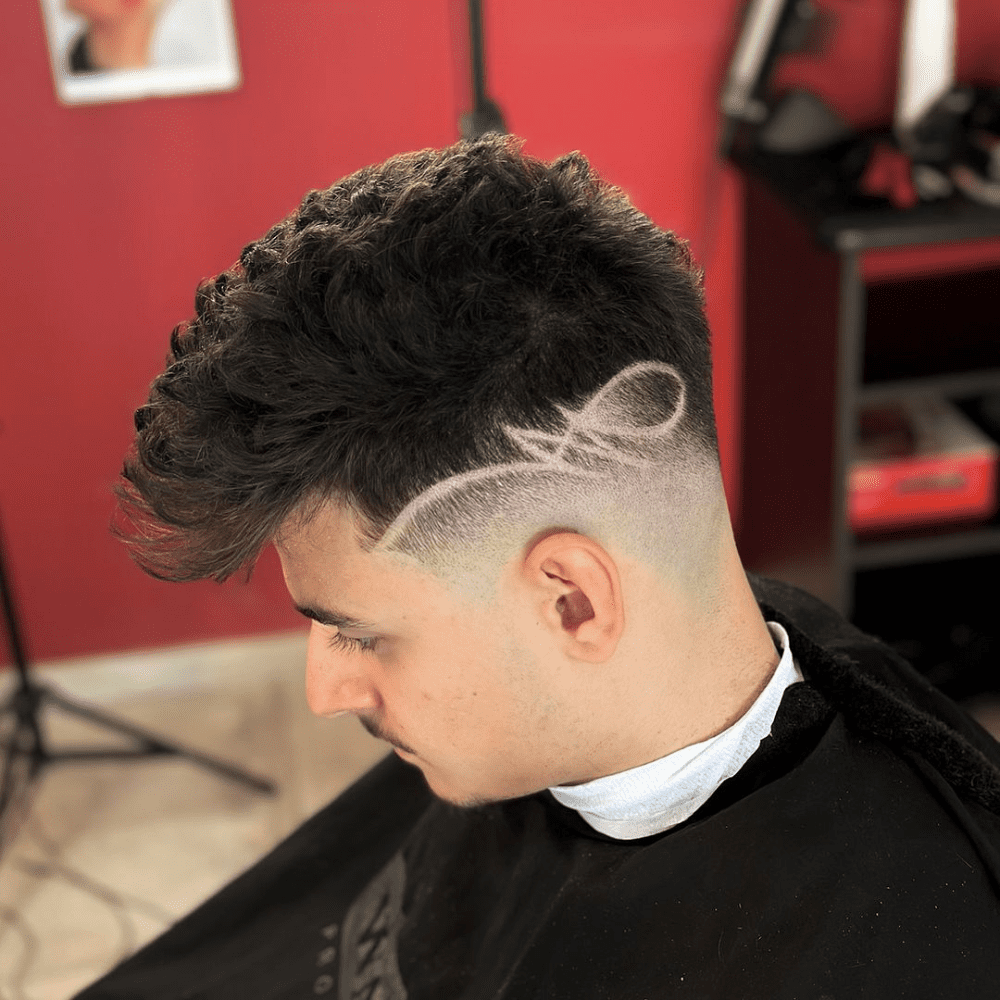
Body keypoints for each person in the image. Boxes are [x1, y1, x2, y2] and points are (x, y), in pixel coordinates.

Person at [76, 135, 1000, 999]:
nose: (325, 690)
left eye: (359, 632)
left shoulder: (904, 943)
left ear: (571, 602)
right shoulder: (511, 733)